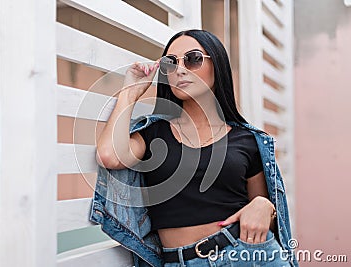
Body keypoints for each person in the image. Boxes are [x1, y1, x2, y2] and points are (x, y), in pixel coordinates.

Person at [92, 29, 298, 267]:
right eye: (170, 63)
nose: (180, 69)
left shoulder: (247, 141)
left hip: (246, 256)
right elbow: (108, 156)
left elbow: (262, 219)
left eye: (193, 59)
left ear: (216, 65)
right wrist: (130, 92)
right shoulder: (153, 135)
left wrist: (266, 206)